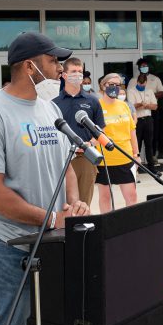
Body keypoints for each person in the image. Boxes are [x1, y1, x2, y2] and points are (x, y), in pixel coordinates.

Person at [0, 32, 89, 325]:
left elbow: (68, 166)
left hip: (48, 241)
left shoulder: (48, 109)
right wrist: (49, 218)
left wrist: (71, 204)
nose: (61, 70)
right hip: (5, 245)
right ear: (30, 66)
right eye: (54, 62)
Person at [54, 57, 106, 210]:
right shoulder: (54, 103)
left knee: (83, 204)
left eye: (80, 72)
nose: (78, 75)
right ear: (64, 75)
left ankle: (83, 232)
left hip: (85, 158)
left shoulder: (93, 100)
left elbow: (100, 129)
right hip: (62, 158)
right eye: (73, 72)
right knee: (62, 204)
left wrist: (91, 143)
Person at [96, 72, 141, 212]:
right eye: (111, 84)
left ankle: (132, 230)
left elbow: (132, 132)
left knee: (132, 197)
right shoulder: (96, 106)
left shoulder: (124, 106)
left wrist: (136, 154)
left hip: (125, 158)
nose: (114, 88)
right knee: (105, 197)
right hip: (104, 161)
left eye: (118, 85)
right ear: (103, 86)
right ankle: (108, 230)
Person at [128, 73, 160, 174]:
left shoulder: (149, 91)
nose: (141, 86)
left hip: (148, 119)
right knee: (136, 144)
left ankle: (151, 167)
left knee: (149, 144)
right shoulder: (131, 91)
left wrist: (147, 105)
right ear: (137, 82)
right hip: (137, 120)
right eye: (140, 84)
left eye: (143, 85)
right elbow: (131, 106)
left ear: (146, 83)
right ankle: (136, 168)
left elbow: (155, 106)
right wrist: (140, 104)